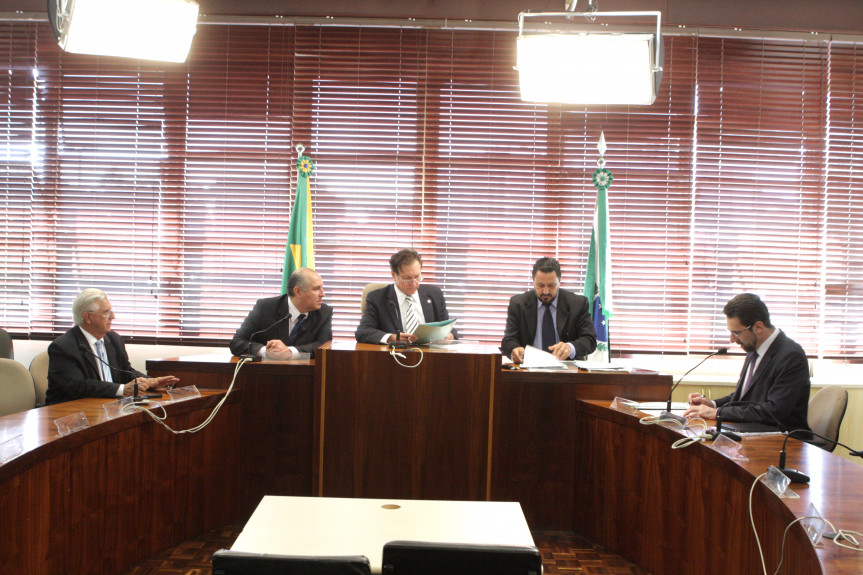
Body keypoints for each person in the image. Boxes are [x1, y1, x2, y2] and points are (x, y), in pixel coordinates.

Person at [683, 293, 810, 431]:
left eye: (736, 333)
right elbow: (743, 399)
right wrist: (712, 405)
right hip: (751, 431)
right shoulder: (753, 351)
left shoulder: (791, 356)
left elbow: (774, 411)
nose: (732, 339)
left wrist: (718, 412)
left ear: (758, 327)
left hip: (782, 437)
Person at [46, 289, 179, 405]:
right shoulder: (63, 347)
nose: (113, 316)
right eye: (106, 312)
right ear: (88, 317)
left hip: (108, 406)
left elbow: (125, 371)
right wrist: (122, 389)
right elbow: (77, 386)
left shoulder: (114, 339)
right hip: (71, 412)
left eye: (111, 311)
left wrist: (150, 381)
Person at [501, 257, 597, 363]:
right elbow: (509, 339)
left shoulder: (577, 304)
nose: (546, 291)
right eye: (540, 285)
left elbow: (590, 340)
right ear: (533, 281)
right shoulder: (518, 304)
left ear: (559, 281)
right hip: (529, 367)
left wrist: (570, 348)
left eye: (551, 285)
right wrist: (514, 349)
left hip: (567, 368)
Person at [355, 249, 457, 344]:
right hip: (395, 354)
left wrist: (450, 336)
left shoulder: (435, 294)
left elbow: (448, 327)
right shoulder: (377, 298)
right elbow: (363, 331)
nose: (413, 283)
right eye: (407, 278)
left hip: (429, 353)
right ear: (394, 275)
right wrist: (391, 338)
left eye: (417, 277)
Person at [230, 268, 332, 359]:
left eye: (322, 288)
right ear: (298, 292)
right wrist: (266, 352)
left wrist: (290, 352)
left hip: (304, 371)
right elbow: (237, 342)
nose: (323, 294)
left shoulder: (324, 312)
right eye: (316, 289)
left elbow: (324, 347)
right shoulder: (265, 307)